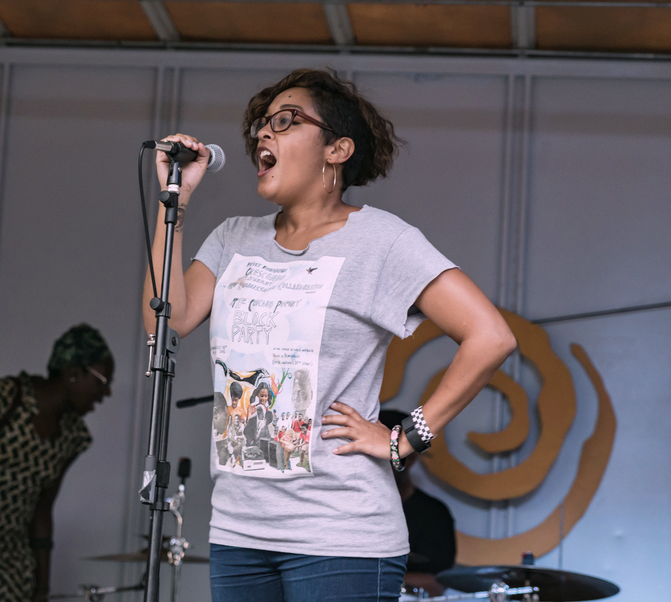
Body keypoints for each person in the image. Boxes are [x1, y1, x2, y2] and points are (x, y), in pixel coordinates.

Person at [142, 68, 516, 601]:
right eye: (261, 125)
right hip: (238, 531)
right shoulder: (233, 239)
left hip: (342, 533)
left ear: (337, 149)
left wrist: (404, 439)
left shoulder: (381, 241)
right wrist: (171, 201)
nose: (263, 135)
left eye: (286, 121)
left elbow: (490, 336)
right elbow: (168, 318)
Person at [0, 324, 114, 602]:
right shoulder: (4, 397)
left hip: (13, 565)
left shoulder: (72, 434)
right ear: (74, 373)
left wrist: (41, 588)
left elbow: (42, 510)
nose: (106, 393)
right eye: (103, 381)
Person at [378, 409, 457, 596]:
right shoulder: (349, 508)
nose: (379, 466)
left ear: (411, 458)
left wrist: (369, 579)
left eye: (386, 458)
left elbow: (437, 582)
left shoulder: (434, 514)